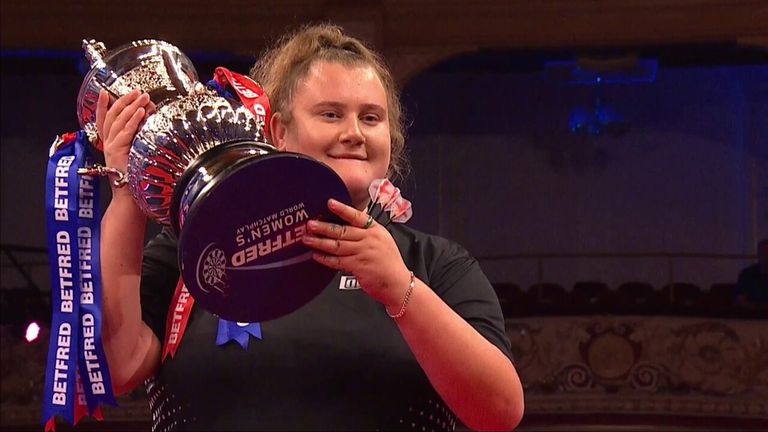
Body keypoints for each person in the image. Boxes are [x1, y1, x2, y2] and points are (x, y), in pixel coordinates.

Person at [96, 23, 524, 431]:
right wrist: (127, 194)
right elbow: (120, 368)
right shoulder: (200, 244)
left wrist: (400, 289)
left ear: (392, 138)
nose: (354, 132)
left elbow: (500, 411)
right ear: (279, 132)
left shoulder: (434, 263)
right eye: (331, 114)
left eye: (371, 118)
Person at [735, 239, 768, 308]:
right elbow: (741, 300)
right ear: (758, 255)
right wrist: (757, 307)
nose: (766, 257)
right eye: (763, 253)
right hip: (752, 314)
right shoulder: (747, 275)